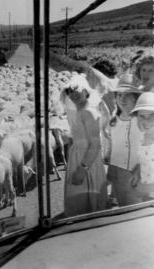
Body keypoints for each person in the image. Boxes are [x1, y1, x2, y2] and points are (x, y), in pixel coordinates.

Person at [60, 74, 108, 217]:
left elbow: (95, 144)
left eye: (76, 90)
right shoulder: (81, 111)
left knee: (83, 200)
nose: (72, 94)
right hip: (80, 157)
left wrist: (82, 169)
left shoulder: (87, 112)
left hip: (86, 161)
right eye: (69, 91)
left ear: (86, 91)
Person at [105, 74, 143, 207]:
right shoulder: (114, 120)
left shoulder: (143, 120)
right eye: (119, 95)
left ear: (136, 98)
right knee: (123, 205)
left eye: (127, 94)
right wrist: (108, 156)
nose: (122, 98)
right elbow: (114, 146)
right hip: (117, 172)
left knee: (135, 210)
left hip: (136, 173)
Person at [130, 92, 154, 201]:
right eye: (142, 116)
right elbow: (146, 160)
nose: (146, 121)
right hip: (145, 194)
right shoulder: (141, 137)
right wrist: (138, 171)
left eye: (151, 116)